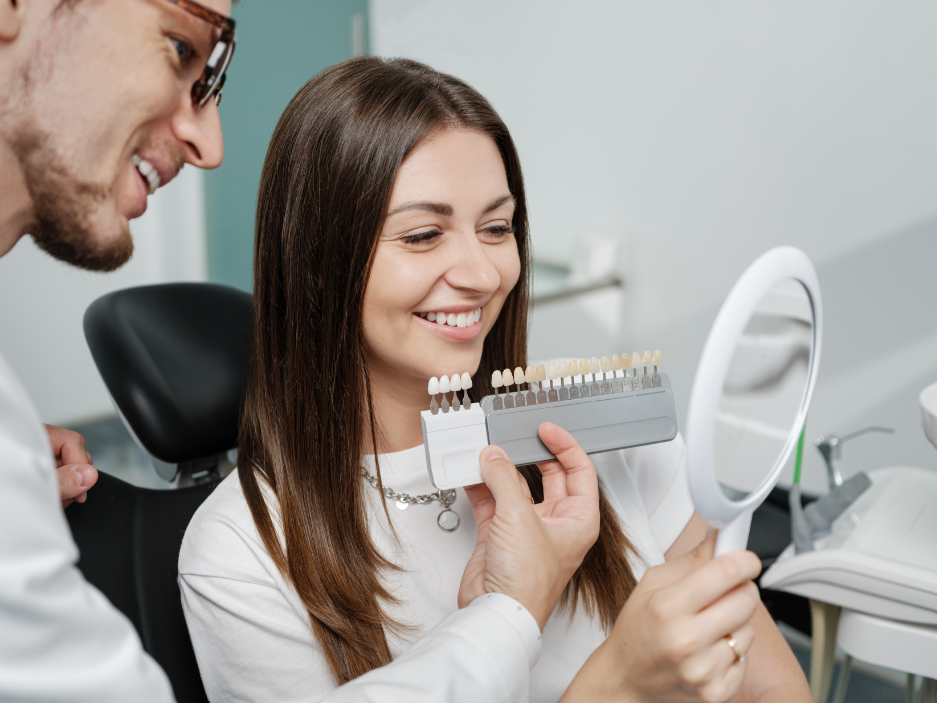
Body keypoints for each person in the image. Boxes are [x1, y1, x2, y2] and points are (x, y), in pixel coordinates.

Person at [0, 2, 598, 701]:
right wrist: (538, 632)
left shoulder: (583, 453)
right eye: (179, 48)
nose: (209, 144)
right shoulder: (240, 552)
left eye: (497, 227)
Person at [179, 57, 813, 702]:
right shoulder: (240, 559)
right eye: (424, 234)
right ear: (317, 262)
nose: (483, 274)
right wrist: (617, 685)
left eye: (496, 228)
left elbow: (774, 689)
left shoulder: (618, 442)